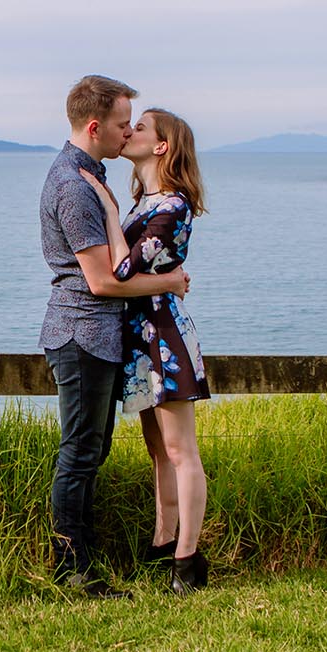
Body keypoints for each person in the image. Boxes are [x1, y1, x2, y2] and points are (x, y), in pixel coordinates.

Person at [40, 75, 191, 598]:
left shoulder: (90, 176)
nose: (129, 131)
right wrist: (170, 281)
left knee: (92, 450)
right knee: (81, 452)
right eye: (125, 123)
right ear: (97, 125)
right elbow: (103, 280)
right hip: (81, 333)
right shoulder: (75, 187)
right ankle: (74, 572)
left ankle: (81, 558)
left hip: (98, 338)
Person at [78, 107, 211, 594]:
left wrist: (111, 215)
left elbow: (123, 272)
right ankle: (162, 542)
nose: (129, 131)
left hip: (164, 337)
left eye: (140, 128)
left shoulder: (171, 205)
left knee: (180, 450)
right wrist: (170, 277)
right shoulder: (146, 204)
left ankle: (188, 560)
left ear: (161, 146)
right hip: (140, 335)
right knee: (158, 451)